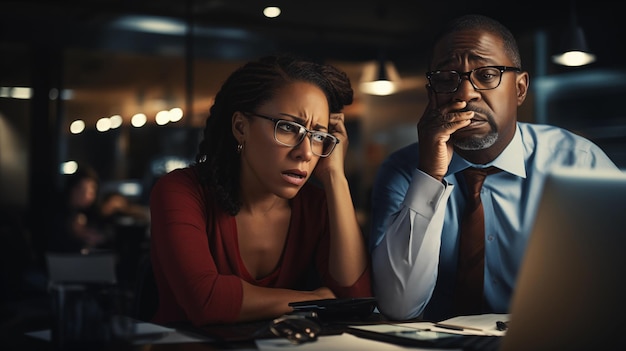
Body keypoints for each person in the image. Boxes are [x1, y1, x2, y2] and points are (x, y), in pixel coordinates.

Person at [369, 14, 620, 322]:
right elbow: (398, 306)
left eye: (486, 75)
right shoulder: (402, 172)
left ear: (520, 88)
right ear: (431, 93)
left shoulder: (578, 163)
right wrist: (429, 176)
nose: (465, 93)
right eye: (447, 79)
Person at [149, 55, 372, 326]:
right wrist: (314, 298)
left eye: (318, 136)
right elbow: (205, 301)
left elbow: (356, 300)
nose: (305, 153)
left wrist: (336, 177)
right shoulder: (181, 191)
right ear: (241, 127)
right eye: (289, 127)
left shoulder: (318, 206)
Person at [48, 165, 112, 254]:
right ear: (73, 189)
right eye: (86, 191)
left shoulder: (89, 212)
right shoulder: (57, 214)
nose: (90, 196)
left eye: (93, 192)